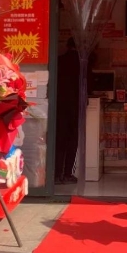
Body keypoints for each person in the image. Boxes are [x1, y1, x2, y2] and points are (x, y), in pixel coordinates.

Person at [55, 38, 80, 184]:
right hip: (75, 106)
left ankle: (57, 174)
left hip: (59, 105)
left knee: (60, 139)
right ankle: (68, 173)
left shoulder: (59, 60)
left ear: (67, 46)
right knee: (72, 140)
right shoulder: (82, 62)